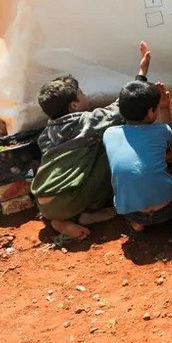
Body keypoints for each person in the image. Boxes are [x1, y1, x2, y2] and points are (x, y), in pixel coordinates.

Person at [31, 42, 150, 241]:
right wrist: (142, 72)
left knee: (85, 158)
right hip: (68, 200)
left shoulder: (45, 134)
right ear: (74, 105)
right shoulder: (85, 122)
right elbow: (121, 107)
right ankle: (89, 209)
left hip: (43, 202)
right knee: (112, 147)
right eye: (82, 94)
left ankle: (71, 219)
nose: (86, 96)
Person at [103, 79, 172, 236]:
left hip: (132, 211)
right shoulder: (161, 131)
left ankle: (137, 225)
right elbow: (171, 142)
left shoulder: (109, 134)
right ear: (151, 112)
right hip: (166, 208)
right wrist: (164, 107)